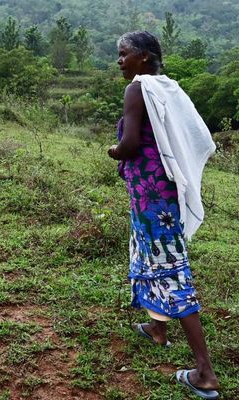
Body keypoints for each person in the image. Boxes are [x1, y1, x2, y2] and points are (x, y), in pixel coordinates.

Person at [108, 31, 219, 399]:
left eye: (124, 54)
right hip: (162, 193)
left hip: (152, 198)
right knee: (148, 255)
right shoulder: (168, 86)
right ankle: (158, 329)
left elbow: (130, 145)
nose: (120, 61)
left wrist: (113, 149)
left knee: (172, 271)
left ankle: (205, 372)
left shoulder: (137, 89)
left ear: (142, 57)